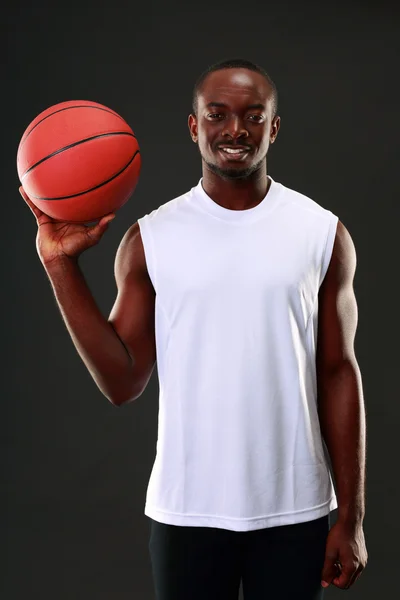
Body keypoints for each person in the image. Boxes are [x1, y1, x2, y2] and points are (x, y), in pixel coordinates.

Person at [21, 58, 368, 600]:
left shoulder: (321, 233)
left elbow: (338, 371)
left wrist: (351, 517)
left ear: (274, 127)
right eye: (217, 114)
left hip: (296, 510)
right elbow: (122, 382)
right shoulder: (150, 239)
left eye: (254, 116)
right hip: (186, 512)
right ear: (194, 127)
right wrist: (60, 266)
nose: (235, 129)